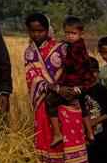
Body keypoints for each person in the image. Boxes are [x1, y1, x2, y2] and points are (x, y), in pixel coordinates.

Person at [23, 12, 93, 163]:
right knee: (49, 151)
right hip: (44, 108)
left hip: (68, 106)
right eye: (33, 31)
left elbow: (78, 69)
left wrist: (73, 90)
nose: (37, 34)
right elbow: (32, 79)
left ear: (48, 30)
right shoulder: (29, 53)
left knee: (71, 149)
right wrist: (54, 88)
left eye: (40, 30)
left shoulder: (62, 47)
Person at [43, 17, 100, 147]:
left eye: (73, 33)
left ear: (81, 33)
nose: (70, 36)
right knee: (82, 105)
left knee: (50, 101)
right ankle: (90, 132)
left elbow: (74, 68)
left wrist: (70, 85)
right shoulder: (79, 45)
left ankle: (57, 133)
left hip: (74, 83)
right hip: (83, 83)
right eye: (67, 33)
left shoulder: (74, 49)